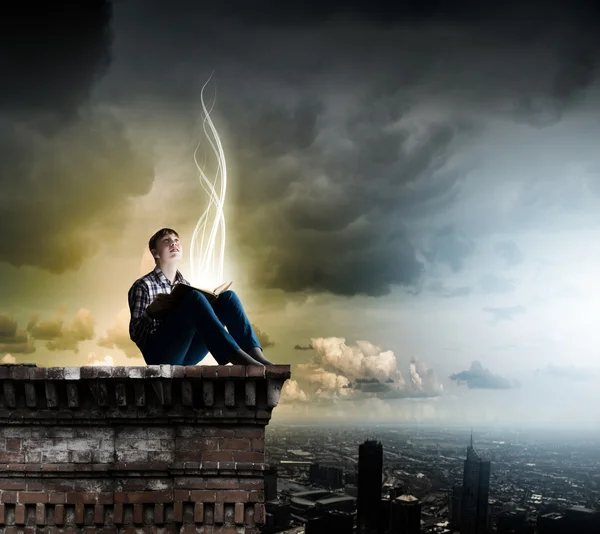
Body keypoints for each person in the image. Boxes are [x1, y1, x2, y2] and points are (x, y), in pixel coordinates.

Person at [128, 227, 273, 366]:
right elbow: (135, 334)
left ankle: (256, 355)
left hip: (186, 353)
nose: (174, 243)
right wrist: (150, 312)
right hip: (159, 355)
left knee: (228, 297)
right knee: (193, 298)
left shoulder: (184, 284)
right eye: (166, 241)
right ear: (155, 253)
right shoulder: (143, 285)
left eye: (176, 240)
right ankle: (235, 355)